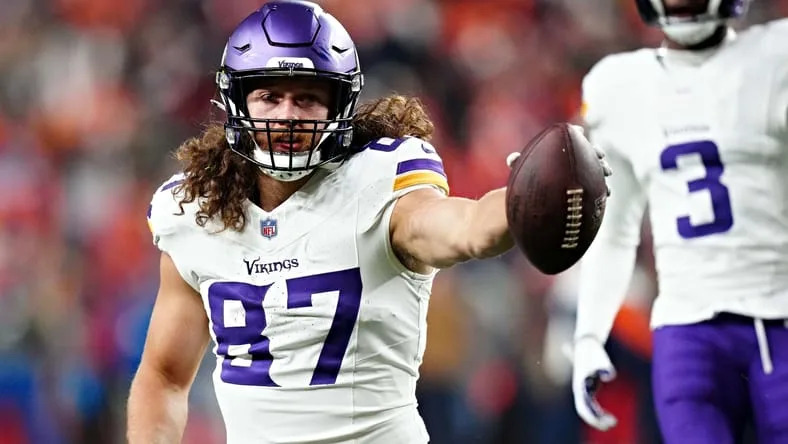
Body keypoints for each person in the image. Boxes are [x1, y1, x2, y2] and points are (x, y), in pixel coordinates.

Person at [126, 1, 608, 442]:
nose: (288, 116)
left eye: (308, 98)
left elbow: (462, 228)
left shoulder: (378, 183)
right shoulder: (194, 211)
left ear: (340, 107)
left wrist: (521, 200)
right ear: (237, 102)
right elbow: (164, 376)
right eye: (270, 97)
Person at [571, 0, 788, 443]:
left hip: (779, 312)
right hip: (687, 329)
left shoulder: (774, 55)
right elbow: (613, 229)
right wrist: (589, 334)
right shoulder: (618, 86)